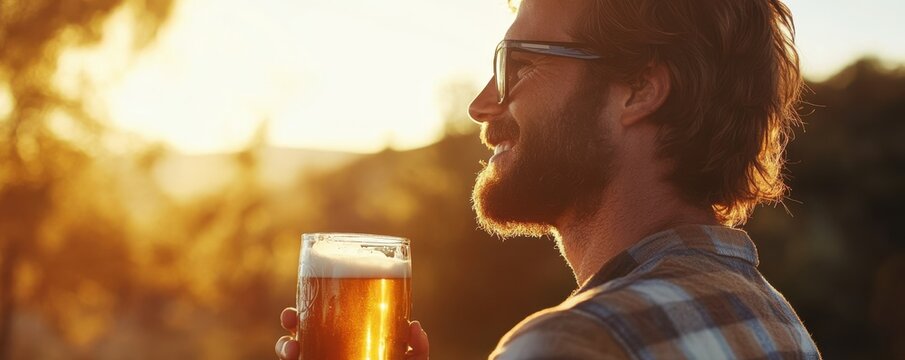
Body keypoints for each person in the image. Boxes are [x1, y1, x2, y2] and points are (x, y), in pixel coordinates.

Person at [276, 0, 822, 358]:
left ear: (638, 89)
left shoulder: (573, 344)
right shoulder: (778, 325)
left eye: (517, 65)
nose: (482, 104)